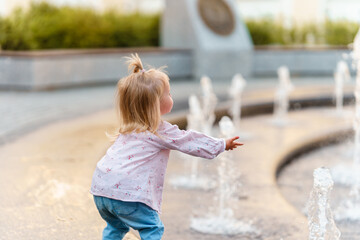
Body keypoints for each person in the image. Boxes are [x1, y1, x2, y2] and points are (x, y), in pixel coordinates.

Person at [90, 54, 243, 240]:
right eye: (168, 94)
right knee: (152, 228)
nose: (171, 96)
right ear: (155, 104)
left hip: (101, 190)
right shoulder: (158, 131)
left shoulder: (127, 129)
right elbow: (189, 140)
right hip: (127, 195)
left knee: (115, 227)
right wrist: (220, 144)